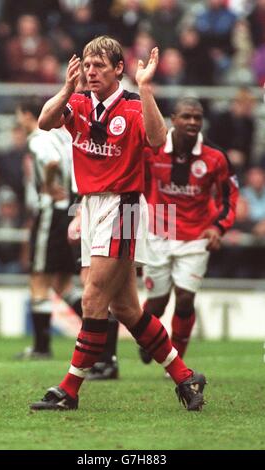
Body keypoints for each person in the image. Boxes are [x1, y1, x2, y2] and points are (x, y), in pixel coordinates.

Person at [30, 36, 207, 412]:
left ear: (118, 69)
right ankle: (184, 376)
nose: (92, 73)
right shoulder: (77, 101)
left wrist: (144, 88)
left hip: (124, 206)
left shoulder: (131, 105)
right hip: (91, 205)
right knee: (127, 308)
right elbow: (45, 122)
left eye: (100, 67)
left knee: (93, 297)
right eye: (88, 66)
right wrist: (66, 87)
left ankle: (69, 388)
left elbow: (159, 140)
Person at [139, 97, 238, 365]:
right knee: (156, 304)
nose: (192, 122)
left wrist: (218, 227)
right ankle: (148, 338)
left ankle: (176, 360)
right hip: (157, 233)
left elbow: (229, 198)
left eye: (197, 117)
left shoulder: (215, 156)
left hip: (196, 236)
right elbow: (136, 188)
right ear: (173, 119)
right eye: (186, 116)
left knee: (184, 299)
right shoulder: (153, 149)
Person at [15, 97, 84, 359]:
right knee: (63, 284)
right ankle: (103, 326)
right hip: (65, 213)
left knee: (39, 277)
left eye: (20, 114)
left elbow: (52, 162)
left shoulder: (38, 138)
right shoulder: (60, 136)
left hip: (50, 213)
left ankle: (41, 347)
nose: (19, 120)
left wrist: (50, 185)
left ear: (26, 114)